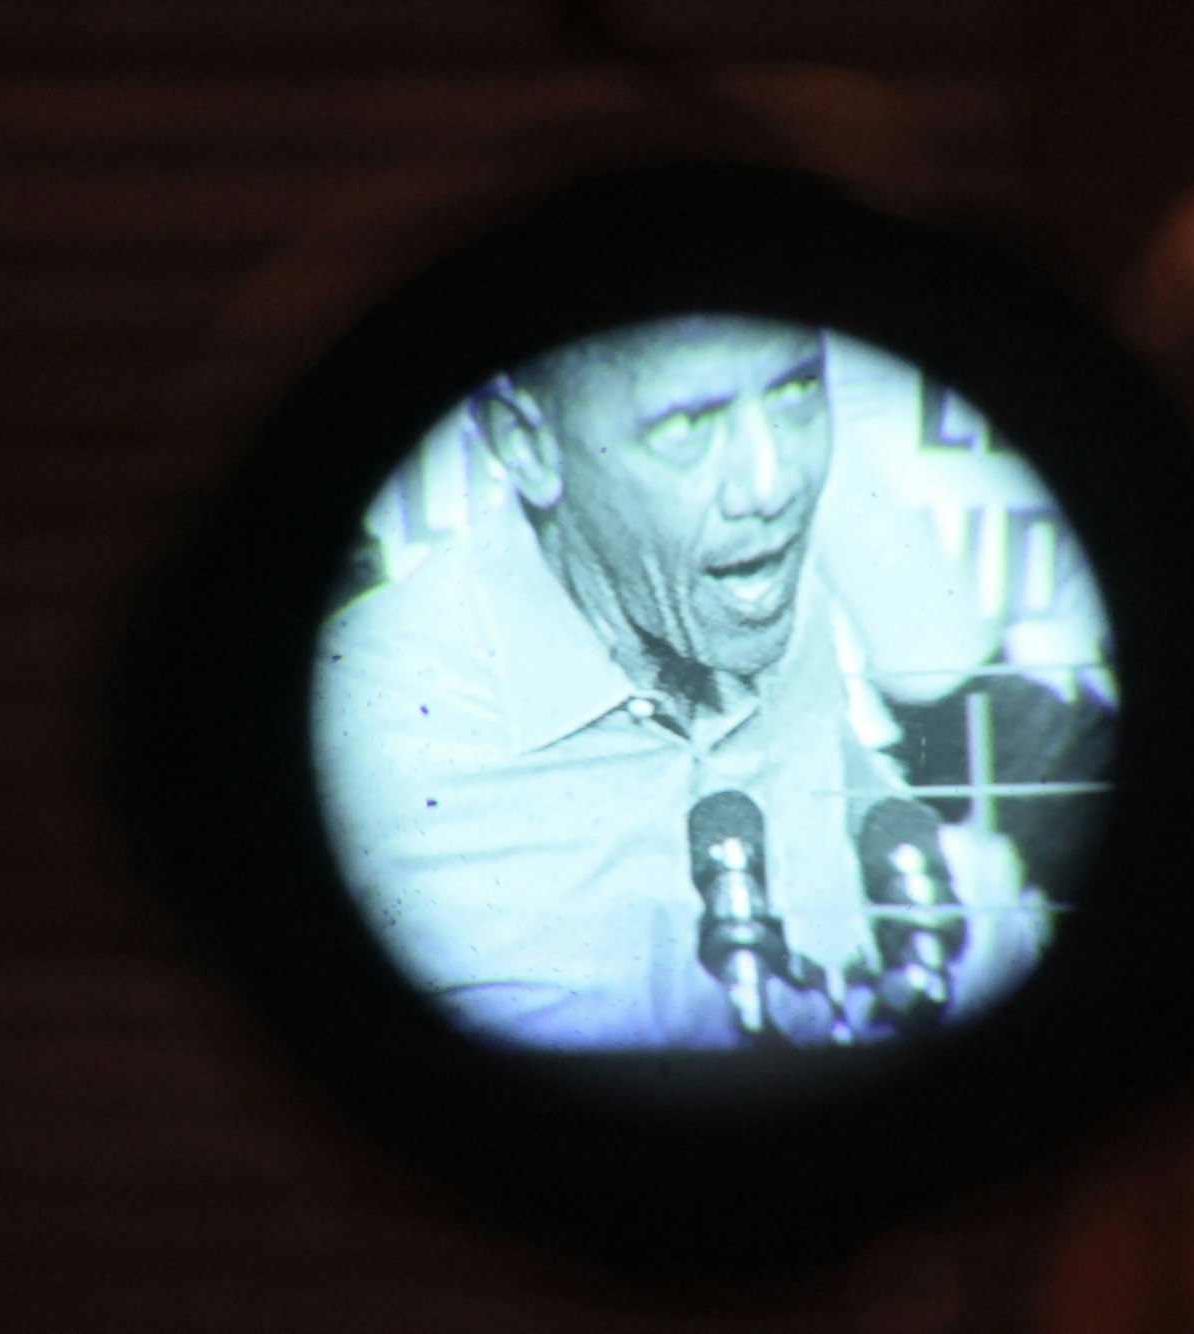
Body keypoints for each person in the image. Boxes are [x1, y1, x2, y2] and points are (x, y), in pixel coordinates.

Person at [311, 315, 1043, 1052]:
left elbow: (831, 773)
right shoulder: (371, 722)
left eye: (794, 391)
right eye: (687, 424)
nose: (773, 482)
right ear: (526, 445)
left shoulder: (737, 578)